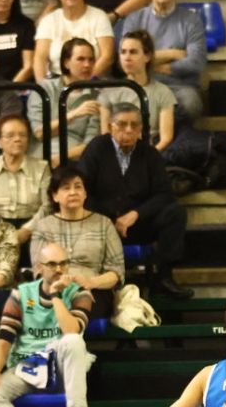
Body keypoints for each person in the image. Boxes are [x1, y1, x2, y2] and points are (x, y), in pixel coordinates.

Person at [0, 241, 95, 407]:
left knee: (73, 340)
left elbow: (71, 330)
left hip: (62, 365)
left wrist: (56, 295)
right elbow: (4, 340)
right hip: (28, 365)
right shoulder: (21, 294)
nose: (59, 269)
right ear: (39, 267)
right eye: (52, 264)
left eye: (64, 263)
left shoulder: (80, 293)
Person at [75, 104, 192, 300]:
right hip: (101, 222)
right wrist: (109, 220)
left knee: (175, 212)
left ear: (140, 129)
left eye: (134, 125)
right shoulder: (97, 148)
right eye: (122, 124)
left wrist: (135, 214)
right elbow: (83, 189)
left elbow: (164, 194)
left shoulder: (150, 154)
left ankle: (164, 277)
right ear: (110, 126)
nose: (128, 130)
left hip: (138, 224)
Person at [27, 165, 125, 319]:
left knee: (84, 306)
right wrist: (61, 284)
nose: (73, 192)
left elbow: (117, 272)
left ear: (85, 193)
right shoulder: (43, 226)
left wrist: (91, 282)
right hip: (53, 289)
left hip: (94, 290)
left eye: (78, 187)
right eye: (66, 188)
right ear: (55, 196)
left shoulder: (104, 224)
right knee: (40, 307)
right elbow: (39, 270)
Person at [120, 0, 207, 126]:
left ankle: (167, 135)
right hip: (143, 83)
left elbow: (196, 63)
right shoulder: (134, 19)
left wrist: (149, 63)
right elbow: (127, 59)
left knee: (191, 104)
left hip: (179, 86)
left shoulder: (191, 20)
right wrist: (172, 54)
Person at [101, 30, 178, 153]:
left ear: (147, 56)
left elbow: (166, 138)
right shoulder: (108, 92)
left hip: (148, 152)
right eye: (123, 52)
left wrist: (147, 157)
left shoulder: (163, 92)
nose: (127, 57)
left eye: (133, 52)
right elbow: (105, 136)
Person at [29, 37, 102, 163]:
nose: (87, 65)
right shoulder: (44, 89)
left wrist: (60, 158)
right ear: (66, 62)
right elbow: (40, 133)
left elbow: (90, 144)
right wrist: (74, 114)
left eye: (91, 60)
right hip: (39, 155)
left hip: (73, 160)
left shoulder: (96, 97)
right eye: (81, 59)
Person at [34, 0, 115, 80]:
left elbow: (107, 56)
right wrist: (44, 87)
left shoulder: (99, 17)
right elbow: (39, 59)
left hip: (94, 81)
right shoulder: (48, 21)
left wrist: (82, 82)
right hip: (57, 82)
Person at [0, 113, 50, 239]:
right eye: (10, 136)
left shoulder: (41, 168)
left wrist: (26, 230)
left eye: (22, 135)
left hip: (33, 230)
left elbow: (47, 206)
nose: (17, 139)